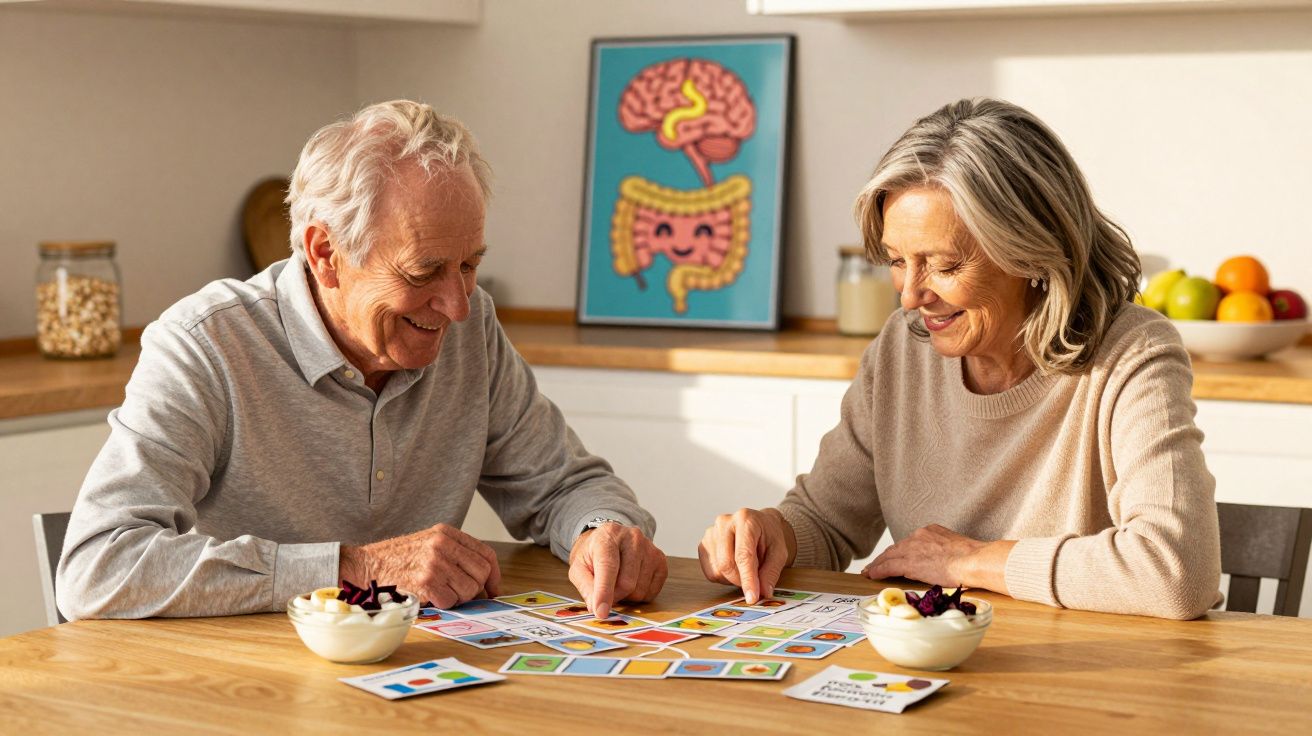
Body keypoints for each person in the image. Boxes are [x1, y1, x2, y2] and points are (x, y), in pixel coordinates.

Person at [57, 100, 666, 621]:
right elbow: (97, 566)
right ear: (326, 255)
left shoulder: (470, 325)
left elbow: (566, 484)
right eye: (424, 270)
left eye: (470, 265)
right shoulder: (205, 345)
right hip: (243, 686)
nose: (456, 305)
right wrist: (353, 569)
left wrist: (601, 530)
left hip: (414, 680)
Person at [698, 98, 1221, 620]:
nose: (910, 295)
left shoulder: (1131, 353)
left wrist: (970, 561)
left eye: (945, 266)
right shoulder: (902, 348)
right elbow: (828, 521)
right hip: (946, 668)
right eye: (899, 262)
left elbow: (1176, 571)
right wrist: (771, 536)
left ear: (1032, 252)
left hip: (1098, 676)